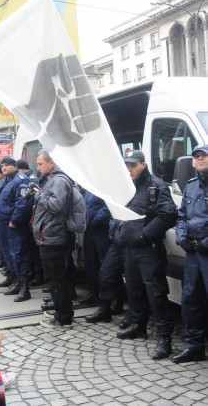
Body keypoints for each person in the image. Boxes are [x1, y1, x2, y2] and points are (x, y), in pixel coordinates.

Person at [116, 150, 177, 360]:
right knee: (134, 290)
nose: (129, 169)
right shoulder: (129, 187)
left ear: (143, 164)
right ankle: (138, 325)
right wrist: (120, 232)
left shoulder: (156, 186)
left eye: (133, 165)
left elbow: (168, 214)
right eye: (127, 165)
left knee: (156, 294)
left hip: (148, 249)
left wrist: (144, 235)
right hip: (131, 248)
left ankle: (164, 338)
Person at [171, 144, 208, 363]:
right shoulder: (191, 186)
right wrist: (182, 238)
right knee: (190, 299)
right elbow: (182, 215)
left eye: (204, 156)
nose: (200, 159)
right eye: (197, 157)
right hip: (193, 254)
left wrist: (205, 243)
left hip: (205, 249)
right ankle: (194, 346)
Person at [31, 150, 74, 328]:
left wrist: (38, 195)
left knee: (56, 279)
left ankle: (64, 317)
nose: (38, 167)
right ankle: (61, 311)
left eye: (41, 164)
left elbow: (56, 205)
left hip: (53, 236)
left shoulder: (58, 180)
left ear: (52, 162)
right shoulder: (53, 179)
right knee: (55, 278)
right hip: (49, 235)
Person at [0, 156, 34, 302]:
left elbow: (23, 203)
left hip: (14, 225)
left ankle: (25, 288)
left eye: (6, 165)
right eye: (2, 166)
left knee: (18, 254)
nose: (3, 168)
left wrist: (15, 221)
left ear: (14, 166)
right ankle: (16, 282)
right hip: (3, 223)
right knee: (8, 255)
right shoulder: (5, 180)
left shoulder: (20, 180)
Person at [77, 189, 111, 307]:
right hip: (89, 230)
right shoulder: (88, 186)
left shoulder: (104, 184)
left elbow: (109, 207)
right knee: (90, 264)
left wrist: (95, 220)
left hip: (101, 230)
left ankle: (111, 297)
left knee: (105, 265)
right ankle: (93, 293)